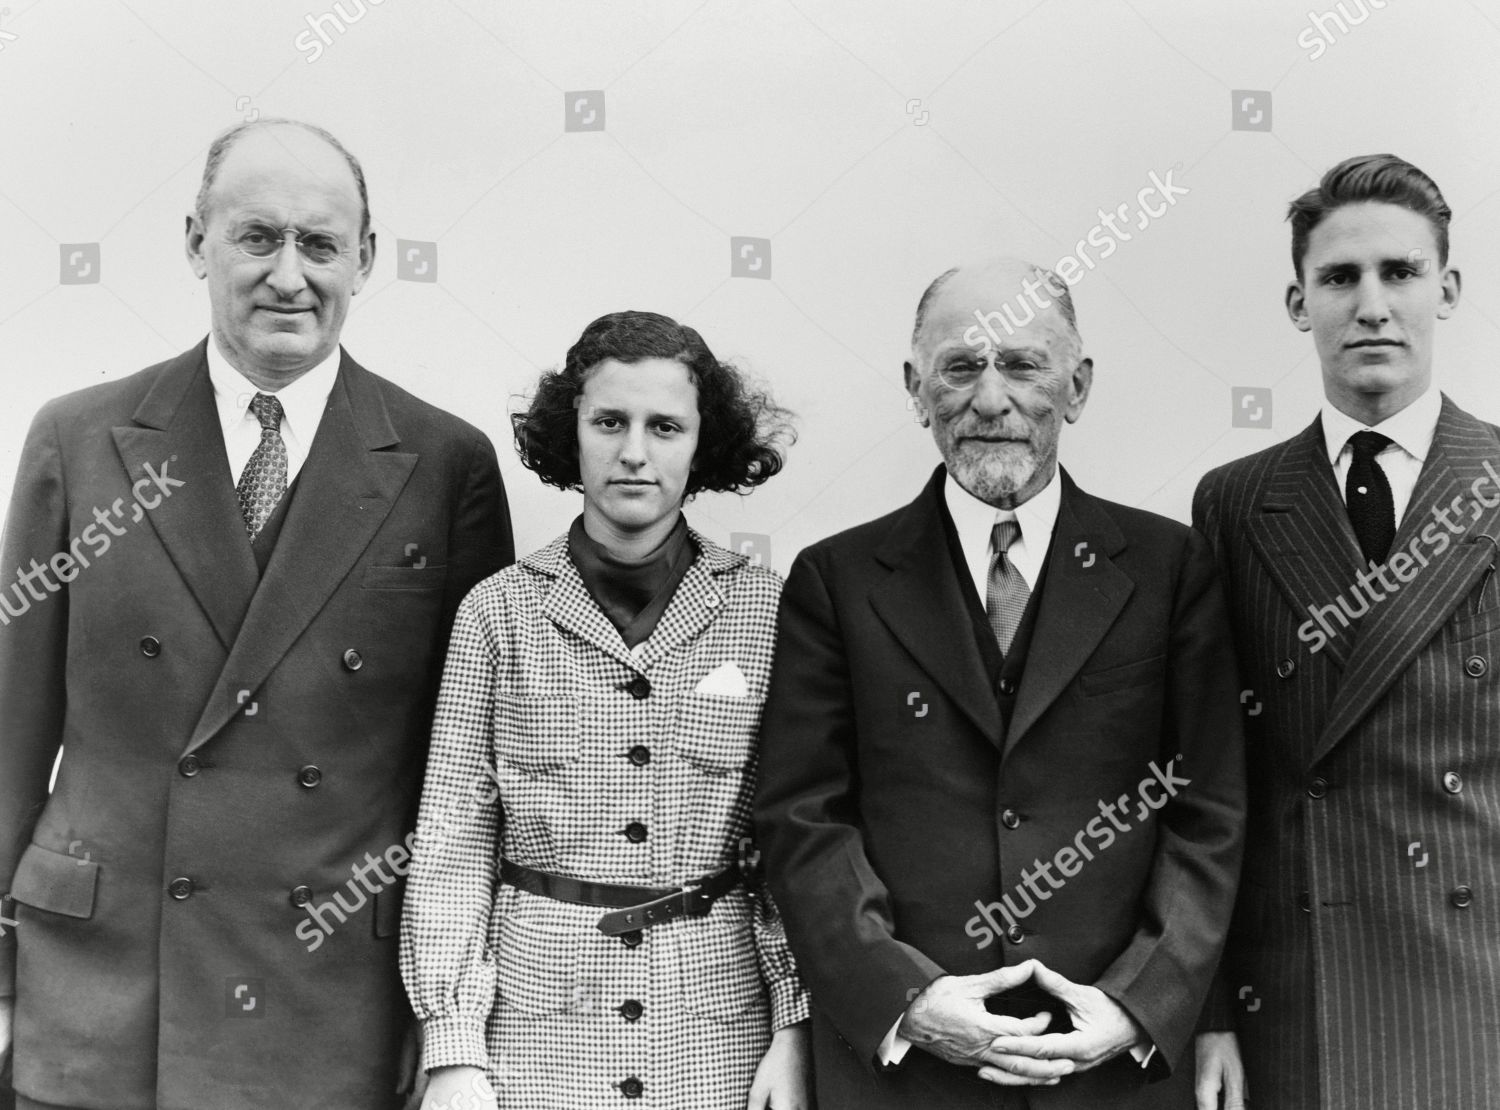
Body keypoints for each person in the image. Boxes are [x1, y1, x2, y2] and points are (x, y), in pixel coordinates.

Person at [0, 119, 513, 1110]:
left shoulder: (446, 465)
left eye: (320, 245)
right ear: (196, 241)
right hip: (101, 999)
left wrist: (451, 1026)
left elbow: (461, 787)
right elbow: (10, 741)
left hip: (320, 1000)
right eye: (257, 238)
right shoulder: (79, 438)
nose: (289, 275)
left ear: (366, 259)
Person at [755, 258, 1246, 1109]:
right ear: (916, 389)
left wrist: (1139, 1004)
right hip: (906, 1075)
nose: (990, 399)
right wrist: (906, 999)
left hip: (1109, 1071)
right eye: (960, 367)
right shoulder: (835, 581)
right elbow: (804, 818)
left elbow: (1210, 810)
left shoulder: (1171, 570)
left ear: (1078, 385)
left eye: (1022, 364)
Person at [400, 310, 811, 1109]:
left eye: (665, 426)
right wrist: (453, 1052)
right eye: (609, 422)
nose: (633, 452)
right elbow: (452, 839)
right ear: (571, 432)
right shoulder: (498, 612)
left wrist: (793, 1026)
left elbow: (791, 840)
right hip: (536, 1033)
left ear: (703, 443)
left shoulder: (764, 610)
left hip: (715, 1033)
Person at [1192, 154, 1500, 1110]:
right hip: (1294, 992)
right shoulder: (1238, 503)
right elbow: (1206, 777)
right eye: (1340, 278)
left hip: (1475, 982)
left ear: (1446, 291)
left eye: (1399, 273)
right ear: (1299, 304)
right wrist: (1209, 1013)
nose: (1371, 305)